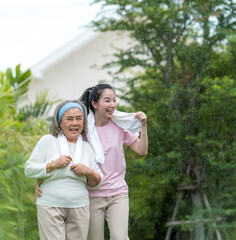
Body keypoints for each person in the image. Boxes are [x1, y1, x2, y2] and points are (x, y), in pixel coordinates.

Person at [25, 100, 103, 240]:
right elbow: (29, 169)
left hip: (79, 206)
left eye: (79, 118)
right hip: (50, 205)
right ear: (59, 122)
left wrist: (89, 172)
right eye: (69, 119)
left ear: (84, 122)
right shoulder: (47, 141)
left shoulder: (87, 147)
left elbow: (97, 183)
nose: (75, 123)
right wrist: (53, 164)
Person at [79, 83, 148, 240]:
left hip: (118, 193)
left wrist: (143, 126)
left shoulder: (119, 125)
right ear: (94, 104)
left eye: (114, 100)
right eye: (107, 100)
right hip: (92, 194)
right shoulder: (84, 132)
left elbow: (142, 150)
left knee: (120, 237)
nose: (112, 105)